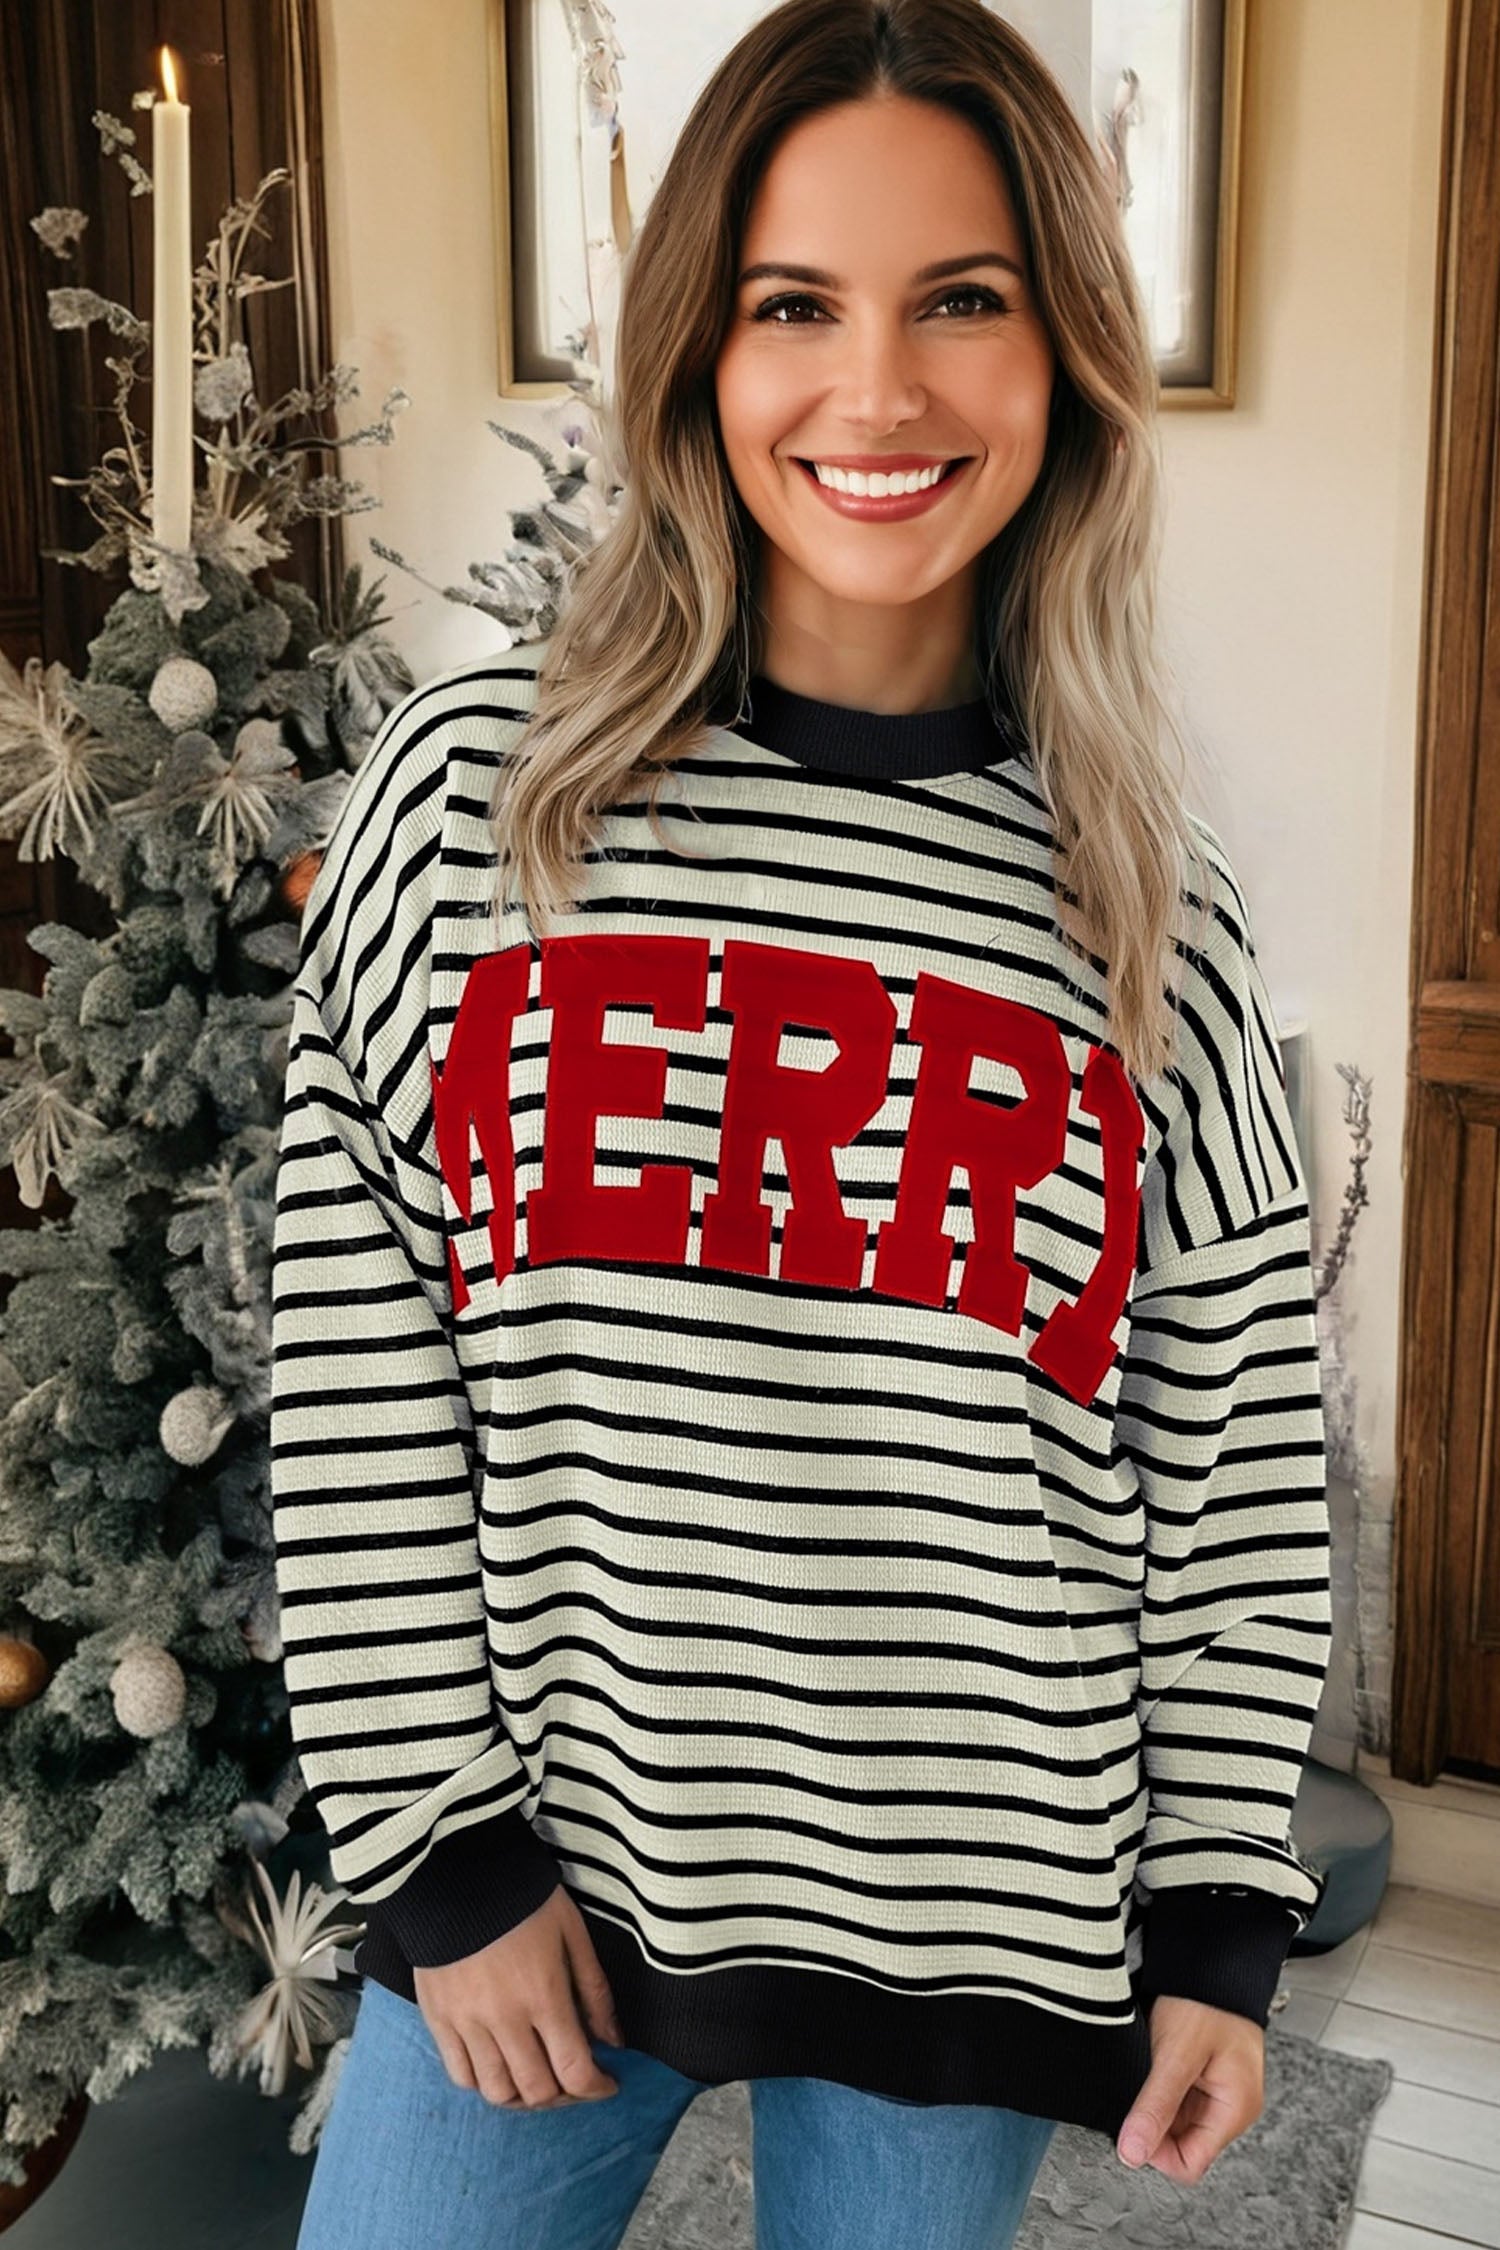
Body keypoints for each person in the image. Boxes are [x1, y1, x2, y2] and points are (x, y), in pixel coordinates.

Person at [271, 4, 1333, 2245]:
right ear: (696, 349)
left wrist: (1222, 1916)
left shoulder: (1151, 905)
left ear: (1067, 355)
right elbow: (359, 1369)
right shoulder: (476, 804)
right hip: (540, 1883)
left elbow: (1231, 1458)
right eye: (793, 306)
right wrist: (441, 1858)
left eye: (963, 299)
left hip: (976, 1907)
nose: (878, 391)